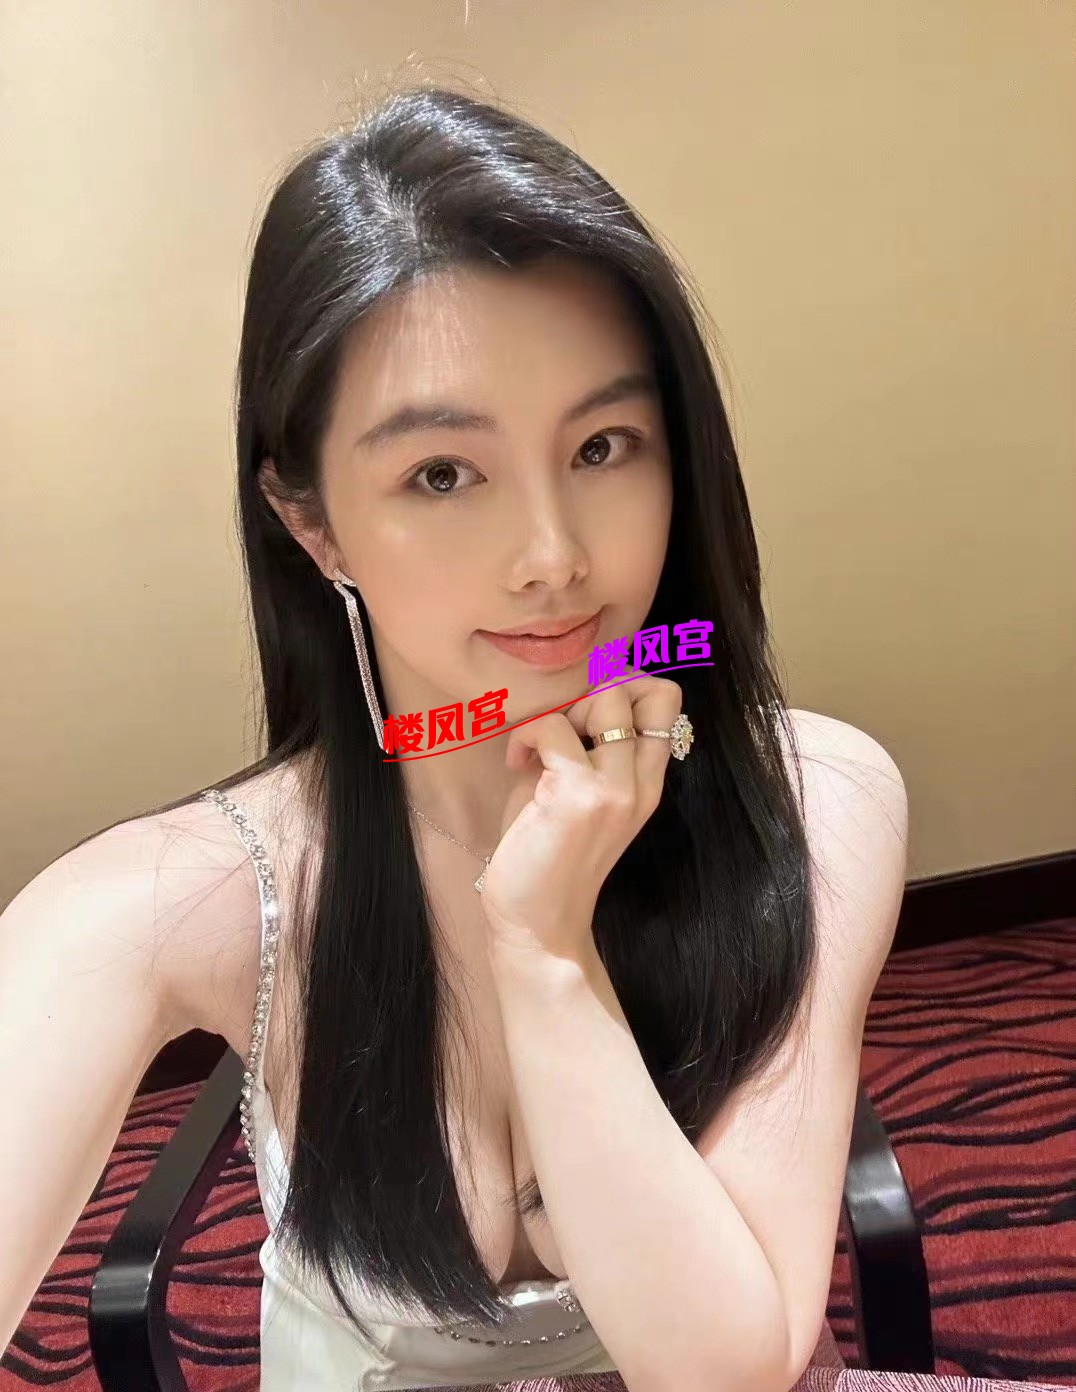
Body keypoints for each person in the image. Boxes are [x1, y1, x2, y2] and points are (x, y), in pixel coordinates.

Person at [0, 86, 907, 1391]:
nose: (553, 558)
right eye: (441, 474)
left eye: (605, 445)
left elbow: (729, 1369)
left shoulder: (819, 794)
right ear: (313, 526)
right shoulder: (192, 896)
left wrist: (546, 954)